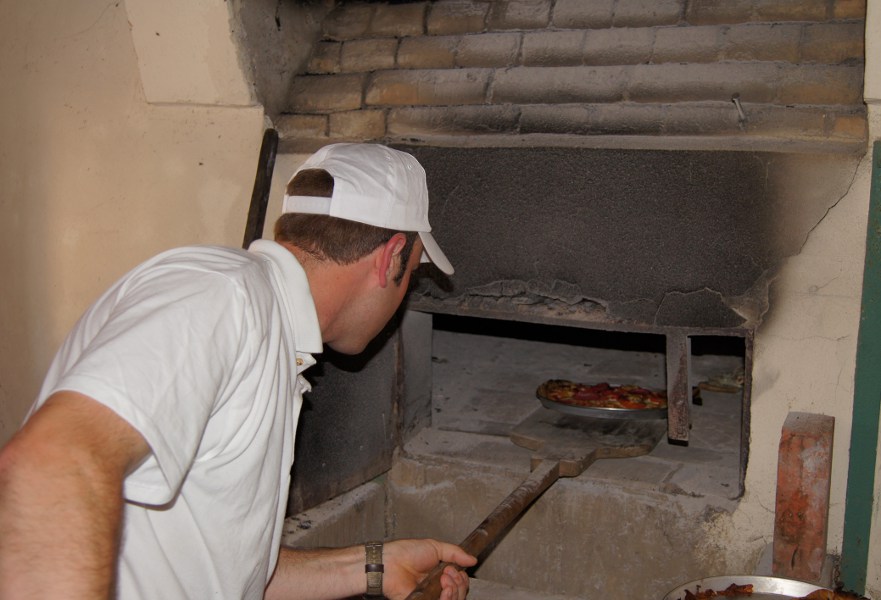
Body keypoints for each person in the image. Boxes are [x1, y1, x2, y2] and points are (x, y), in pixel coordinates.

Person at [0, 143, 476, 599]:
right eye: (411, 273)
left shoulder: (272, 332)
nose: (405, 292)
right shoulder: (222, 295)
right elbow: (54, 463)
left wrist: (373, 565)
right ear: (391, 256)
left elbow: (224, 572)